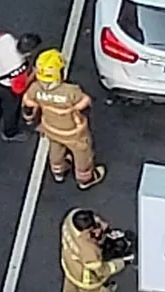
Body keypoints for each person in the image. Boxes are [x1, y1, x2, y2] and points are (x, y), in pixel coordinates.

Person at [22, 49, 106, 188]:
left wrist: (30, 121)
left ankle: (58, 172)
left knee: (56, 149)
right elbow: (85, 104)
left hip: (50, 128)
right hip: (73, 132)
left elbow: (28, 107)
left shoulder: (35, 89)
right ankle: (85, 179)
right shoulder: (71, 91)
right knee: (82, 153)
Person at [60, 208, 130, 292]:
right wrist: (121, 263)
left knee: (70, 290)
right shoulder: (89, 251)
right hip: (86, 280)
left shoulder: (70, 219)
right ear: (86, 231)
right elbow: (102, 270)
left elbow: (89, 217)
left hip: (69, 266)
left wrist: (100, 224)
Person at [0, 32, 41, 142]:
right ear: (29, 52)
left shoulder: (6, 38)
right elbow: (18, 87)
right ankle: (9, 132)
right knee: (10, 110)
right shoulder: (18, 64)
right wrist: (34, 73)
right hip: (6, 87)